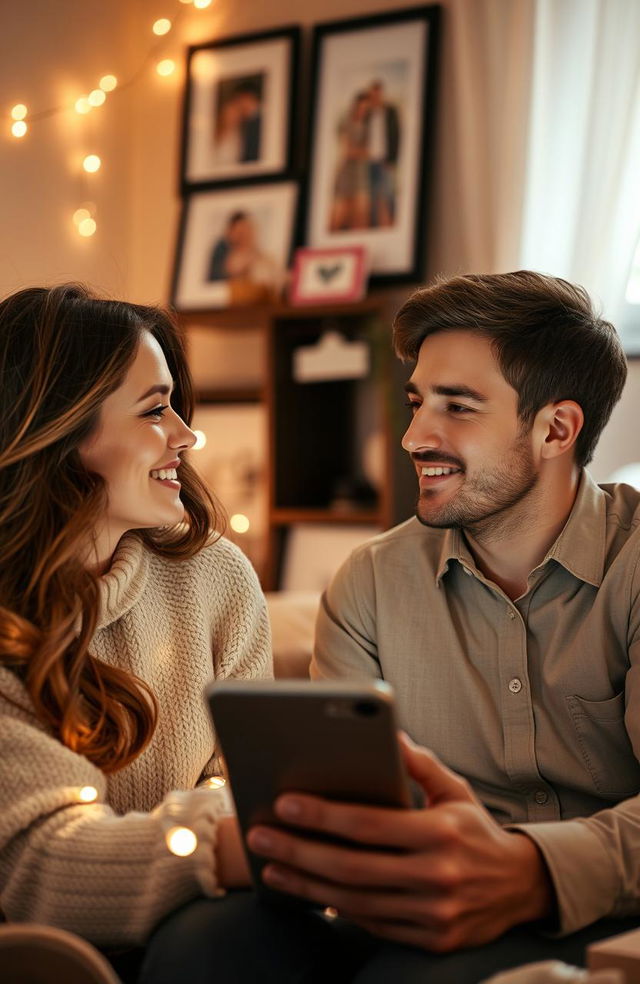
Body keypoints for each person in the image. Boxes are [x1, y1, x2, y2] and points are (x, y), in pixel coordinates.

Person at [244, 271, 640, 982]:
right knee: (208, 944)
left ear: (556, 429)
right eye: (418, 401)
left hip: (608, 920)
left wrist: (532, 871)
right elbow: (338, 794)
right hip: (400, 901)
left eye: (458, 407)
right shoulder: (368, 580)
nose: (413, 437)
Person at [0, 284, 273, 980]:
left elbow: (246, 778)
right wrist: (229, 843)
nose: (186, 434)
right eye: (155, 410)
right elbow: (43, 865)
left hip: (211, 931)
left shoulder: (215, 575)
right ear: (59, 430)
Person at [330, 91, 372, 232]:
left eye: (366, 109)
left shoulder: (367, 126)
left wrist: (362, 152)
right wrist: (363, 152)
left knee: (361, 216)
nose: (362, 111)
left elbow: (370, 150)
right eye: (361, 108)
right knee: (339, 215)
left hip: (361, 173)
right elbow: (346, 151)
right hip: (345, 172)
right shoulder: (345, 122)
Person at [366, 79, 400, 227]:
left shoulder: (390, 111)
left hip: (386, 159)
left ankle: (394, 224)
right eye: (373, 95)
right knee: (372, 195)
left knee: (389, 194)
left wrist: (393, 159)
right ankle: (374, 226)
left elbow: (396, 135)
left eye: (378, 94)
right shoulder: (367, 114)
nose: (376, 97)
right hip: (369, 160)